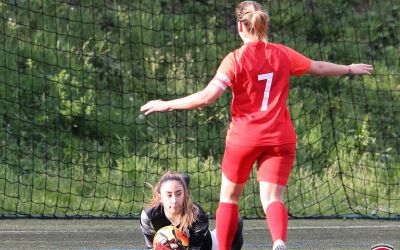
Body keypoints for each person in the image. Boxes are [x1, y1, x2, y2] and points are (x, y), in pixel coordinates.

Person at [140, 1, 373, 249]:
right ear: (264, 25)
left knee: (229, 198)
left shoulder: (235, 60)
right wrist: (349, 68)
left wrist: (168, 104)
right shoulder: (283, 53)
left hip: (244, 138)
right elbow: (318, 67)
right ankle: (279, 240)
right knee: (272, 198)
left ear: (240, 26)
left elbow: (206, 98)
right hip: (280, 138)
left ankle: (224, 248)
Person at [140, 171, 243, 250]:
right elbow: (150, 247)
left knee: (235, 219)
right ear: (160, 196)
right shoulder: (148, 216)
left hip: (208, 247)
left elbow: (197, 247)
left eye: (179, 193)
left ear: (185, 194)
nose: (174, 201)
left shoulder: (197, 215)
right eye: (169, 195)